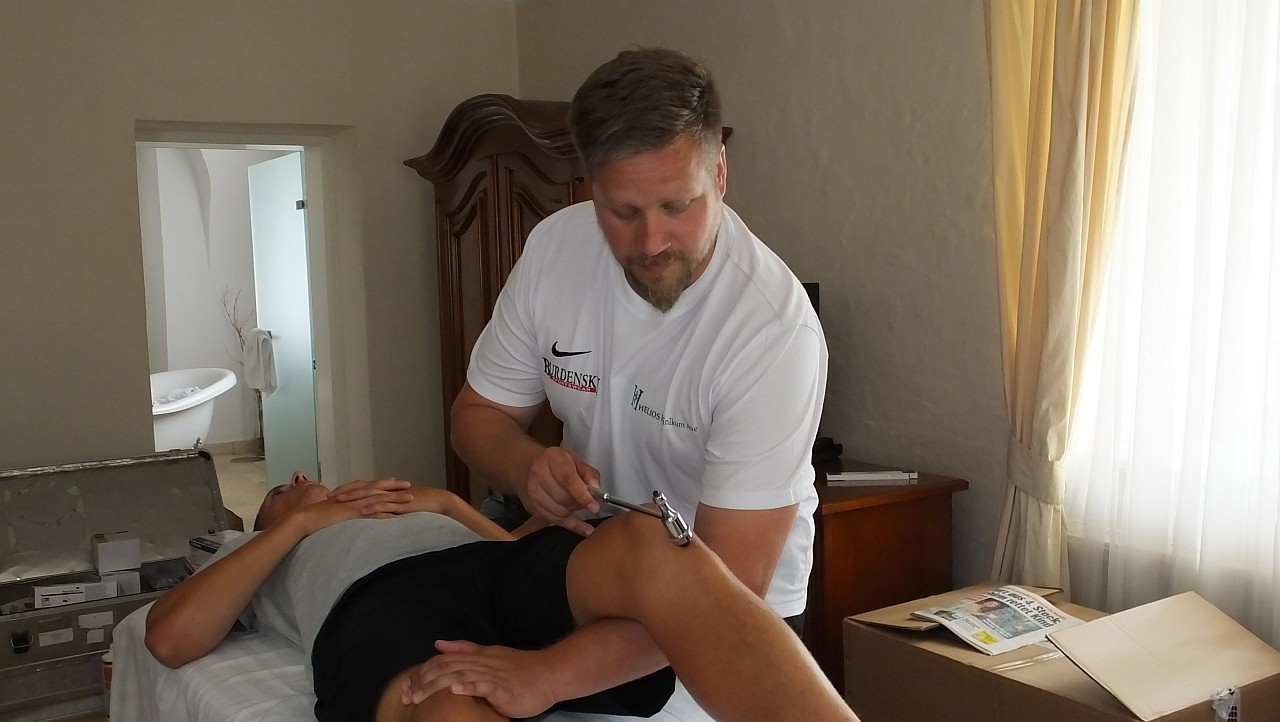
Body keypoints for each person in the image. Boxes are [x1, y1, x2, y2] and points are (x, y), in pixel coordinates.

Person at [451, 47, 827, 632]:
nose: (651, 243)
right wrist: (526, 469)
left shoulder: (772, 329)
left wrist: (543, 675)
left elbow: (728, 592)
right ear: (590, 186)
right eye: (622, 211)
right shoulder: (555, 249)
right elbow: (476, 416)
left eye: (676, 206)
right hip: (594, 569)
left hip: (733, 611)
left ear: (720, 173)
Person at [144, 473, 858, 722]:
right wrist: (296, 524)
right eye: (280, 488)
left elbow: (512, 558)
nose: (302, 479)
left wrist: (448, 504)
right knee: (448, 694)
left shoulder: (413, 503)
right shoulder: (257, 548)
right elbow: (169, 638)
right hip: (378, 604)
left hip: (485, 566)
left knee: (650, 541)